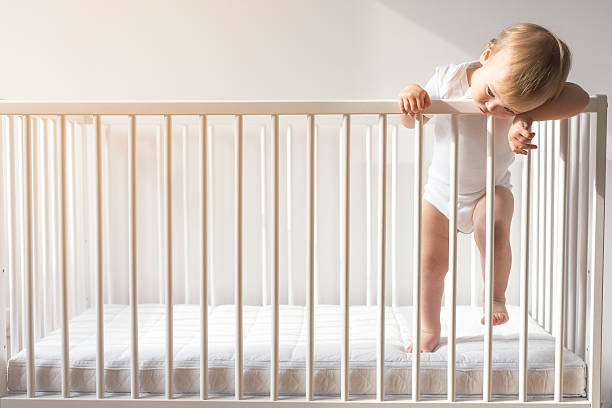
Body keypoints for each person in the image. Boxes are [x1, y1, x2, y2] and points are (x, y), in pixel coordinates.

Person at [398, 23, 589, 353]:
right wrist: (411, 95)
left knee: (494, 222)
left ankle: (495, 296)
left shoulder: (521, 103)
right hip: (441, 195)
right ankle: (429, 327)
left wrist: (527, 116)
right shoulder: (447, 79)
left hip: (490, 189)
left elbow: (581, 98)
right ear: (485, 57)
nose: (492, 107)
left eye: (508, 107)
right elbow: (411, 121)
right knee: (431, 264)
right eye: (489, 94)